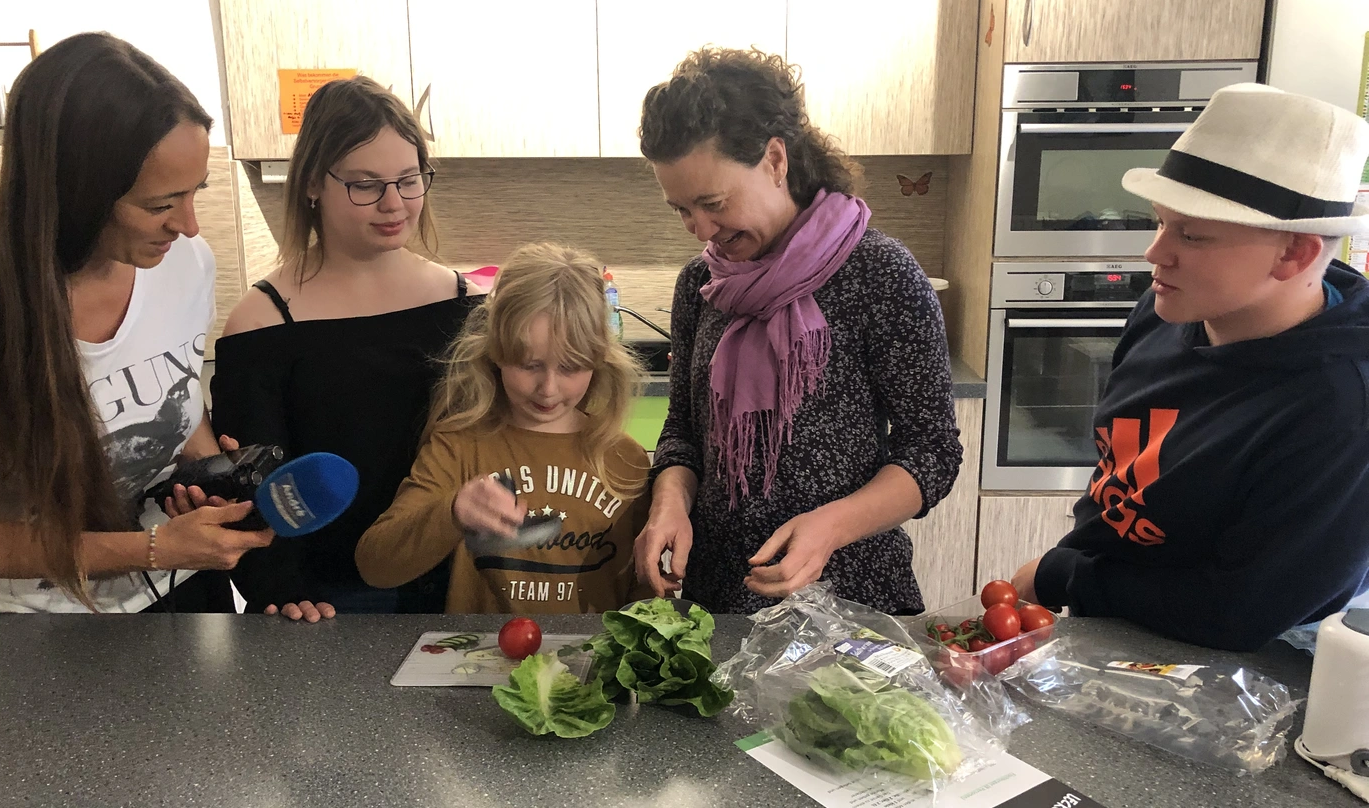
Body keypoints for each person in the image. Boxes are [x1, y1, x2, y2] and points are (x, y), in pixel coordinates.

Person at [1010, 83, 1369, 651]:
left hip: (1238, 670)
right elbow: (1121, 476)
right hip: (1112, 623)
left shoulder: (1341, 407)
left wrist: (1061, 574)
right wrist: (1074, 573)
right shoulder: (1166, 311)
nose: (1155, 253)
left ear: (1294, 253)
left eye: (1193, 235)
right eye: (1160, 221)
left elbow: (1241, 612)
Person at [631, 47, 962, 616]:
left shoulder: (880, 274)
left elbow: (932, 451)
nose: (700, 230)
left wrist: (831, 527)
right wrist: (669, 501)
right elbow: (684, 431)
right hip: (720, 600)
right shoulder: (701, 286)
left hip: (854, 599)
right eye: (681, 209)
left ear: (775, 160)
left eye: (713, 202)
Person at [0, 33, 273, 613]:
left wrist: (208, 475)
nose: (188, 226)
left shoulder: (186, 263)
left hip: (178, 588)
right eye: (160, 204)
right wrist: (152, 548)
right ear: (74, 194)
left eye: (196, 192)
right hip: (33, 625)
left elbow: (177, 394)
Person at [211, 76, 478, 620]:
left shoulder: (466, 304)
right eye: (365, 185)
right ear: (313, 182)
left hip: (460, 581)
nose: (393, 204)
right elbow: (252, 489)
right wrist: (282, 592)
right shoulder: (262, 322)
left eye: (409, 180)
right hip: (328, 600)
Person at [355, 243, 650, 614]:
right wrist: (452, 512)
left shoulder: (626, 459)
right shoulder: (459, 446)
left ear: (599, 361)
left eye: (571, 367)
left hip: (595, 651)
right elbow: (376, 565)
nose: (548, 389)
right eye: (529, 365)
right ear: (496, 352)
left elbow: (646, 595)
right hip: (480, 651)